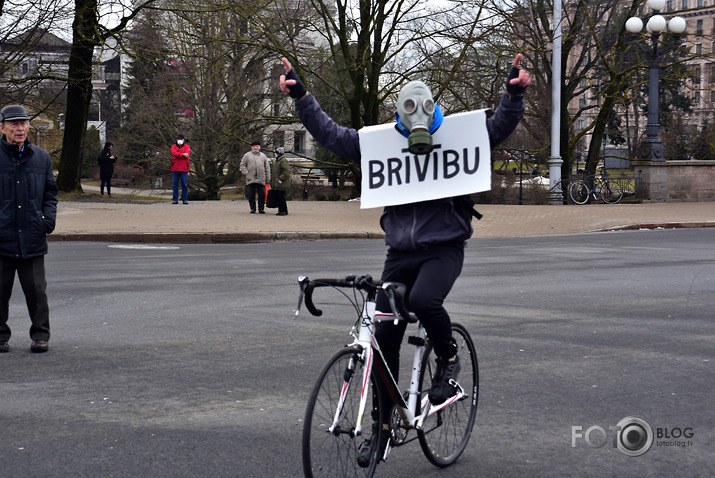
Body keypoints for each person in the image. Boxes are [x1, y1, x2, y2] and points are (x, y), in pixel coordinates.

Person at [280, 55, 530, 463]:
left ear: (434, 110)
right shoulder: (381, 143)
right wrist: (302, 95)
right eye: (409, 109)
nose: (418, 116)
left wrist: (514, 92)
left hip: (444, 247)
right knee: (384, 340)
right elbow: (332, 135)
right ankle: (380, 430)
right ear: (398, 113)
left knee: (424, 301)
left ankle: (448, 359)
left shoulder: (456, 133)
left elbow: (497, 128)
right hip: (399, 252)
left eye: (425, 107)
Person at [0, 105, 58, 353]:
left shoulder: (41, 157)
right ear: (2, 127)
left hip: (32, 236)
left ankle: (40, 335)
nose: (20, 128)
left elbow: (50, 193)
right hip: (2, 237)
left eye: (23, 123)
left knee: (36, 292)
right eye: (14, 124)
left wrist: (46, 220)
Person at [240, 141, 270, 214]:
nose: (256, 147)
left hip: (261, 178)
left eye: (257, 146)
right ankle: (252, 208)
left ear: (259, 147)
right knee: (251, 195)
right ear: (252, 147)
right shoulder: (247, 155)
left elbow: (267, 168)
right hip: (250, 179)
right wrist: (247, 173)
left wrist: (268, 178)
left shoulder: (263, 156)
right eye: (254, 146)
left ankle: (261, 209)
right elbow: (242, 165)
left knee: (261, 195)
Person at [269, 147, 291, 216]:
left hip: (281, 182)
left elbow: (286, 171)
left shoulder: (283, 161)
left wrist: (281, 179)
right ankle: (281, 210)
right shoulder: (277, 161)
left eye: (275, 153)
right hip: (277, 183)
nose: (274, 154)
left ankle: (283, 210)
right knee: (279, 197)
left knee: (281, 197)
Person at [171, 134, 190, 204]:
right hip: (175, 168)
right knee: (175, 184)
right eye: (179, 139)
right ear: (176, 140)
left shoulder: (187, 147)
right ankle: (175, 199)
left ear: (184, 140)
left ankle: (185, 199)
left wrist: (178, 155)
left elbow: (187, 154)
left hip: (184, 168)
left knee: (184, 184)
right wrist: (182, 154)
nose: (180, 140)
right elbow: (174, 153)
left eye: (181, 139)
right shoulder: (173, 147)